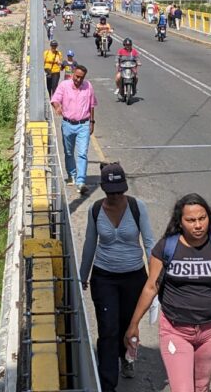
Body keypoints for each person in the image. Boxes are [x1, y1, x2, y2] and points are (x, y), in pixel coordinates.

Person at [124, 194, 211, 392]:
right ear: (180, 222)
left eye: (202, 218)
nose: (198, 225)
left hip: (210, 331)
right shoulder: (166, 247)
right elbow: (151, 287)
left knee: (201, 387)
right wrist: (134, 323)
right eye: (191, 220)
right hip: (175, 331)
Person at [80, 163, 156, 392]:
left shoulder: (137, 207)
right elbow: (90, 244)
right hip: (104, 278)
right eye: (111, 192)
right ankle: (107, 383)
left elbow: (149, 243)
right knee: (108, 329)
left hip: (134, 278)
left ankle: (126, 357)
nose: (115, 196)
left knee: (127, 324)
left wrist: (154, 278)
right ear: (103, 188)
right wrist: (82, 276)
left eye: (119, 191)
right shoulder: (95, 210)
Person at [50, 64, 97, 194]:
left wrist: (92, 122)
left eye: (81, 78)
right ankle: (72, 174)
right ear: (73, 74)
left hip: (83, 124)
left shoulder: (88, 86)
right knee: (69, 152)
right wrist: (57, 106)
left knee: (82, 154)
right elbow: (55, 99)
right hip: (68, 125)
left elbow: (92, 105)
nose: (78, 80)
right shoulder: (64, 85)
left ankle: (81, 182)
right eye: (77, 76)